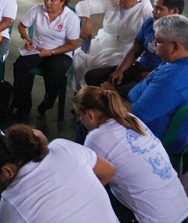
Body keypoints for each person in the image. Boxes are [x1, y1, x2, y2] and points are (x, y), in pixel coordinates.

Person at [74, 86, 188, 223]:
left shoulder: (96, 138)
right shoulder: (131, 119)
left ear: (91, 115)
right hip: (182, 210)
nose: (80, 120)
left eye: (80, 116)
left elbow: (86, 181)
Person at [0, 124, 118, 223]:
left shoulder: (11, 203)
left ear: (7, 170)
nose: (1, 180)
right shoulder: (63, 147)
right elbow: (108, 171)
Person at [85, 0, 184, 97]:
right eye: (154, 7)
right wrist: (120, 70)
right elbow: (135, 50)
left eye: (159, 8)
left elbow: (175, 68)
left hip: (155, 78)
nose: (153, 11)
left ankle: (108, 107)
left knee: (116, 94)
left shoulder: (181, 37)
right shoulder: (150, 23)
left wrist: (152, 75)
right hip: (139, 69)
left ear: (174, 11)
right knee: (92, 76)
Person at [12, 0, 80, 116]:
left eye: (53, 0)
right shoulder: (37, 9)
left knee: (54, 72)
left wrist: (51, 52)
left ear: (62, 2)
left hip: (61, 52)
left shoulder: (71, 18)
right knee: (20, 66)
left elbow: (72, 44)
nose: (47, 2)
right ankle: (24, 103)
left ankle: (48, 101)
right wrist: (28, 39)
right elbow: (22, 26)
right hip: (38, 48)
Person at [70, 0, 153, 90]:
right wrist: (86, 20)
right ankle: (81, 93)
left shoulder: (145, 11)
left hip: (125, 49)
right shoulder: (112, 1)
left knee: (103, 68)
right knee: (77, 57)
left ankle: (94, 98)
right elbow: (83, 5)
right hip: (104, 42)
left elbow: (156, 25)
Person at [129, 14, 188, 141]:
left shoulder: (171, 79)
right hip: (145, 108)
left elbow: (136, 115)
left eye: (158, 41)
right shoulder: (177, 60)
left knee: (92, 114)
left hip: (147, 131)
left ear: (176, 46)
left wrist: (108, 96)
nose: (154, 43)